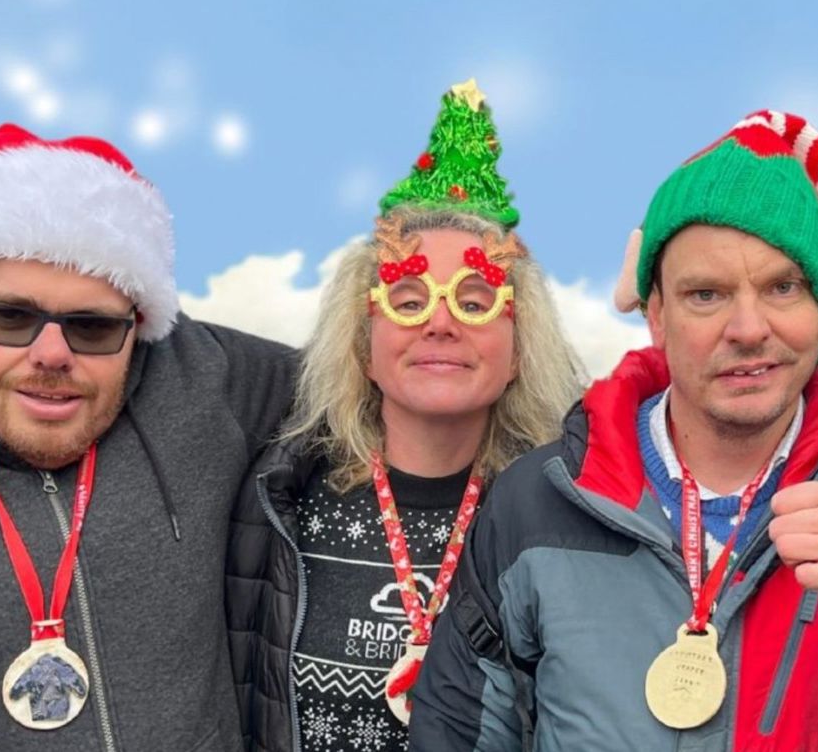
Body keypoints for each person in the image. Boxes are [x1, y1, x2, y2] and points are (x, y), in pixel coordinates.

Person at [408, 111, 818, 751]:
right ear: (656, 313)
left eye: (782, 287)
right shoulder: (537, 502)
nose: (747, 329)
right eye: (706, 295)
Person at [227, 80, 585, 751]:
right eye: (409, 299)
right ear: (364, 346)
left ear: (518, 351)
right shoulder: (278, 497)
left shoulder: (560, 517)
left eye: (475, 301)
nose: (440, 323)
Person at [0, 124, 296, 751]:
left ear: (140, 325)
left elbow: (378, 374)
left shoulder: (204, 380)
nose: (51, 353)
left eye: (91, 327)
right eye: (9, 316)